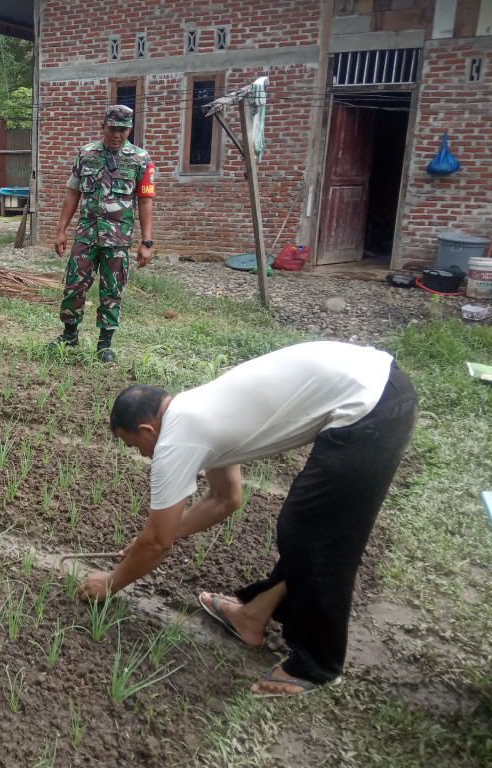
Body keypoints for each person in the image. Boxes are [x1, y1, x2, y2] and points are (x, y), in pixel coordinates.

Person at [78, 341, 418, 697]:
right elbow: (224, 499)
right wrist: (155, 537)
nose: (143, 455)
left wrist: (112, 581)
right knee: (304, 527)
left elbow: (158, 544)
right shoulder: (197, 409)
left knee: (317, 534)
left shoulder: (176, 441)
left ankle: (318, 665)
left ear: (148, 430)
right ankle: (252, 616)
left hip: (371, 408)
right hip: (378, 384)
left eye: (135, 446)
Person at [48, 104, 156, 363]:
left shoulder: (141, 159)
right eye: (112, 129)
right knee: (74, 285)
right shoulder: (86, 154)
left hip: (118, 238)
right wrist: (61, 231)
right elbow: (73, 192)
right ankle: (70, 335)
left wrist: (147, 242)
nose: (117, 135)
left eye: (123, 130)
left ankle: (104, 344)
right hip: (86, 234)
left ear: (129, 129)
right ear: (103, 126)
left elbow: (145, 201)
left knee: (112, 289)